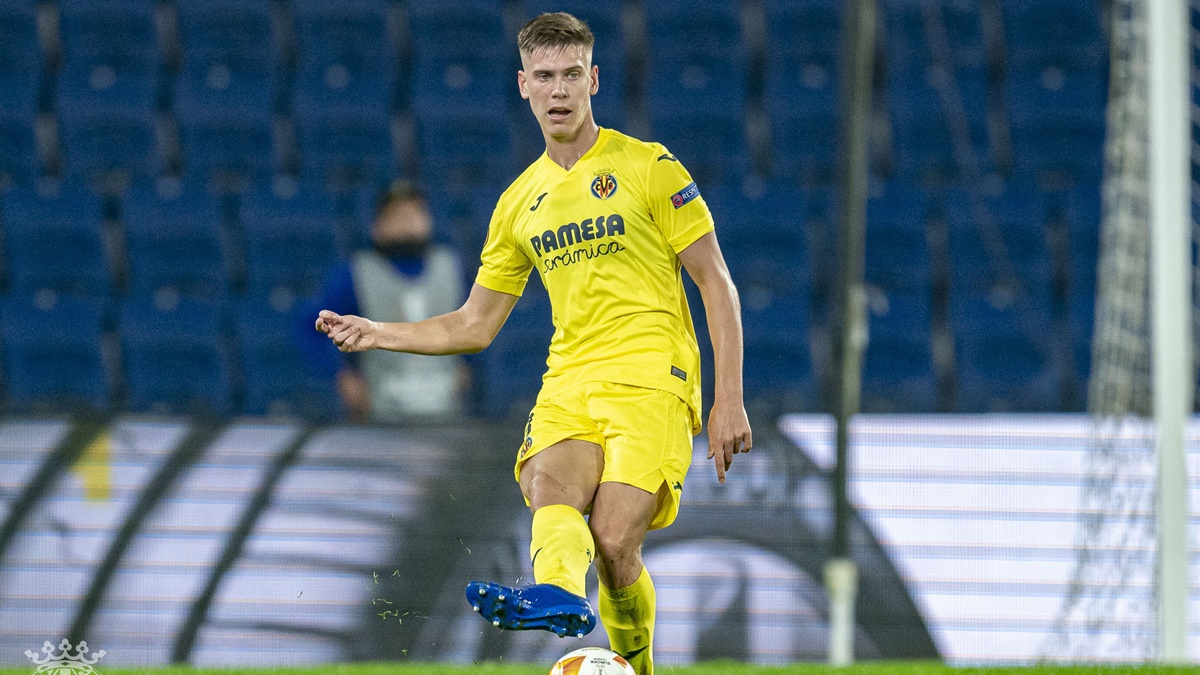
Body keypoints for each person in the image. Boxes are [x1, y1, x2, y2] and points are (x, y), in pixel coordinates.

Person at [316, 12, 750, 674]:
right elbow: (473, 323)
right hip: (570, 379)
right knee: (550, 488)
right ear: (523, 85)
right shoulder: (519, 202)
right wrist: (379, 334)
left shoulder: (650, 167)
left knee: (612, 541)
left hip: (651, 377)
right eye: (544, 77)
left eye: (571, 75)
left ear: (593, 79)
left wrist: (729, 398)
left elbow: (714, 279)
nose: (558, 91)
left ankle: (635, 661)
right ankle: (556, 595)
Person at [302, 180, 465, 421]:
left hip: (447, 410)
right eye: (397, 215)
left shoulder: (452, 266)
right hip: (381, 411)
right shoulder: (356, 273)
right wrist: (342, 376)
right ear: (377, 225)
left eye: (416, 213)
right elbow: (312, 326)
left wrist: (470, 366)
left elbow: (478, 319)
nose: (409, 222)